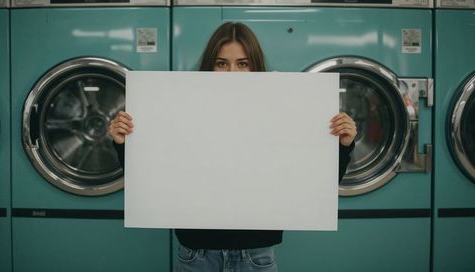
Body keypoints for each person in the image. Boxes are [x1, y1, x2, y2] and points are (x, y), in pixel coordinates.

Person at [109, 22, 357, 272]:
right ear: (210, 66)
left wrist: (342, 146)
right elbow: (150, 178)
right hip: (196, 253)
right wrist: (123, 143)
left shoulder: (283, 111)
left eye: (242, 63)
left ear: (255, 66)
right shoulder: (182, 108)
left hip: (256, 254)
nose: (231, 72)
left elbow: (315, 187)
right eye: (221, 63)